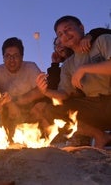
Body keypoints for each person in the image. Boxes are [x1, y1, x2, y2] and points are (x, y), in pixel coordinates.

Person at [36, 15, 111, 149]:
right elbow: (65, 93)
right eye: (60, 34)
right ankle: (99, 135)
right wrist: (45, 91)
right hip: (93, 105)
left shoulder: (101, 40)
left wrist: (84, 69)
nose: (65, 35)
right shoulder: (67, 65)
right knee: (53, 110)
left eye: (68, 29)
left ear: (81, 28)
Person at [0, 37, 46, 138]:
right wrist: (8, 104)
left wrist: (15, 102)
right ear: (3, 57)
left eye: (15, 56)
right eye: (7, 56)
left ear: (22, 57)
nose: (11, 60)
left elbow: (41, 91)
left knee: (43, 107)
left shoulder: (31, 67)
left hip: (30, 109)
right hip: (6, 112)